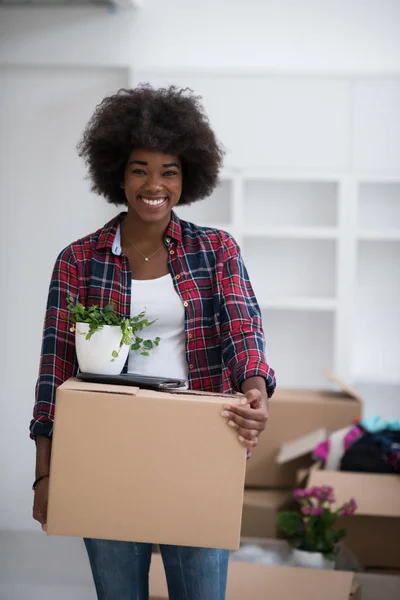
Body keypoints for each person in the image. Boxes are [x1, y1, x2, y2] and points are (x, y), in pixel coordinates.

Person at [31, 85, 276, 600]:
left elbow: (242, 328)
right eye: (140, 168)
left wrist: (255, 389)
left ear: (187, 178)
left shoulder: (215, 250)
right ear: (118, 174)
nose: (154, 184)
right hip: (106, 450)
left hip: (199, 443)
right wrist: (45, 476)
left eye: (170, 170)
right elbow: (54, 371)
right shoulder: (78, 260)